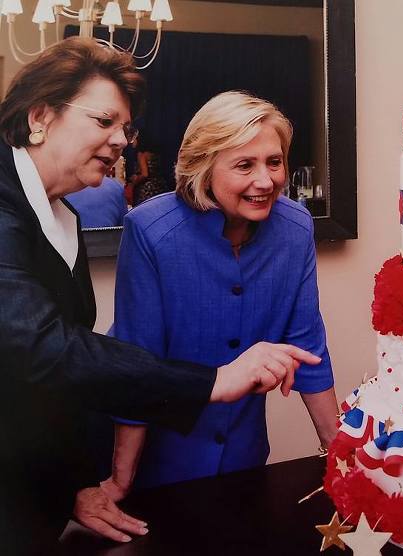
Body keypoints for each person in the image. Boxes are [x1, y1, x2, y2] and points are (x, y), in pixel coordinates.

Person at [0, 38, 320, 555]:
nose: (121, 140)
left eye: (124, 128)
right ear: (40, 116)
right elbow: (41, 348)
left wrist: (78, 482)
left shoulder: (64, 216)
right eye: (104, 121)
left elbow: (56, 381)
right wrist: (215, 380)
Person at [99, 91, 339, 497]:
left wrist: (342, 459)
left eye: (274, 162)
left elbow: (308, 349)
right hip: (159, 464)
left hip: (244, 460)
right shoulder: (150, 231)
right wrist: (120, 482)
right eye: (245, 165)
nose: (266, 181)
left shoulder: (296, 228)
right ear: (203, 167)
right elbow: (135, 365)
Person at [129, 132, 169, 206]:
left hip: (147, 189)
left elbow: (145, 174)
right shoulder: (155, 153)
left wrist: (134, 181)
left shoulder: (141, 155)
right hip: (160, 186)